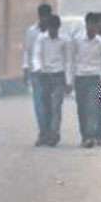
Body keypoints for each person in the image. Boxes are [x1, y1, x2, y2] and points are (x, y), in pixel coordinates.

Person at [69, 12, 101, 148]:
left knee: (92, 106)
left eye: (95, 24)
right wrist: (69, 81)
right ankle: (85, 135)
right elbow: (71, 61)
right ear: (86, 24)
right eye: (90, 24)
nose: (92, 27)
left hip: (95, 77)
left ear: (98, 26)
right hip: (80, 77)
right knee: (82, 108)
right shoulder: (77, 40)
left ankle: (91, 136)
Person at [32, 15, 71, 146]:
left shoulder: (64, 40)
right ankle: (44, 133)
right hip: (44, 76)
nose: (53, 31)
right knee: (45, 107)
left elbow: (68, 61)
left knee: (56, 107)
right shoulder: (41, 39)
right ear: (48, 28)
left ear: (58, 28)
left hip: (58, 76)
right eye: (51, 29)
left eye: (55, 29)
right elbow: (36, 55)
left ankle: (54, 134)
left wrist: (68, 81)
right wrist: (38, 68)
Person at [23, 4, 52, 143]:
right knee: (39, 104)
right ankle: (43, 132)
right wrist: (25, 68)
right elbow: (27, 51)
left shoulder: (55, 31)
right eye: (43, 17)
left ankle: (51, 131)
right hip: (37, 73)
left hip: (52, 73)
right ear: (40, 16)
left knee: (50, 104)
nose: (45, 19)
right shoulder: (31, 31)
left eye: (47, 17)